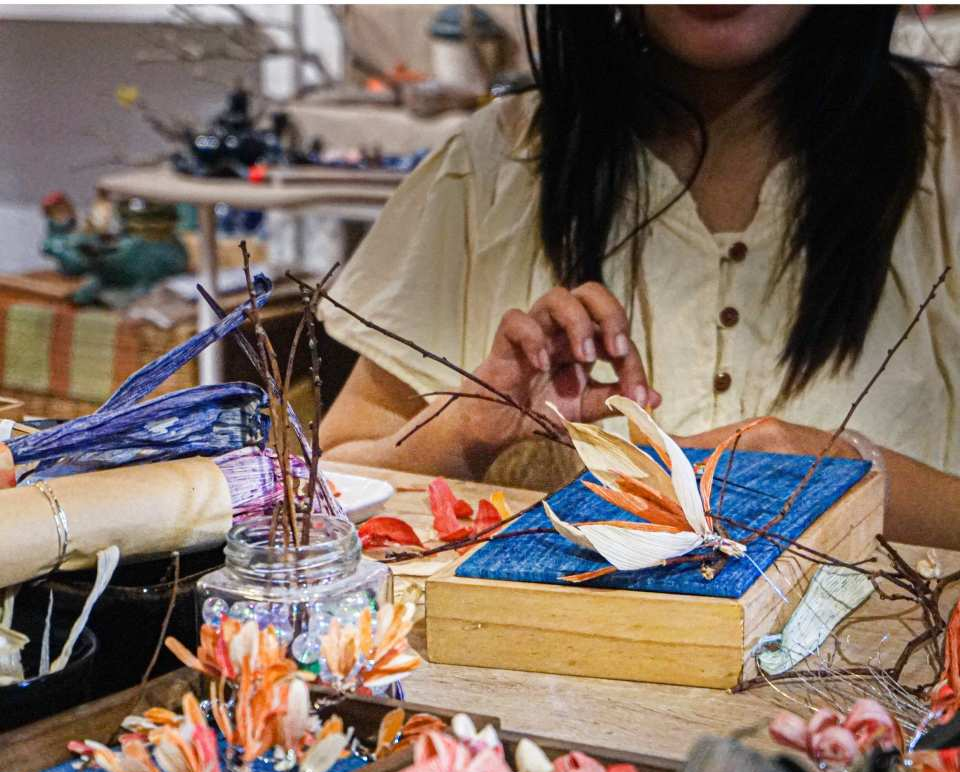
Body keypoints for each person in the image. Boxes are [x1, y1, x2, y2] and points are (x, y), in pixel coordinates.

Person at [318, 6, 960, 549]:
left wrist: (857, 476)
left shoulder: (945, 156)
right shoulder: (499, 161)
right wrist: (463, 433)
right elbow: (328, 485)